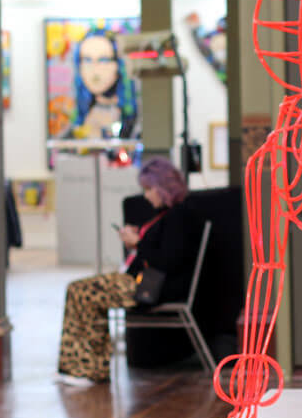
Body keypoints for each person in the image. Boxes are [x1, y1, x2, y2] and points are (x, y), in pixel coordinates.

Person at [56, 158, 200, 385]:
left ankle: (88, 368)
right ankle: (80, 367)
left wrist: (138, 244)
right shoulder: (167, 216)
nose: (146, 196)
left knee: (83, 291)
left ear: (163, 187)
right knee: (78, 289)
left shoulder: (178, 217)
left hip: (155, 288)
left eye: (149, 189)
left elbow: (168, 262)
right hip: (144, 282)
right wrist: (139, 241)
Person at [64, 30, 138, 139]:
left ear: (118, 65)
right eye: (87, 60)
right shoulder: (78, 116)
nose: (95, 68)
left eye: (103, 60)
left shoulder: (131, 119)